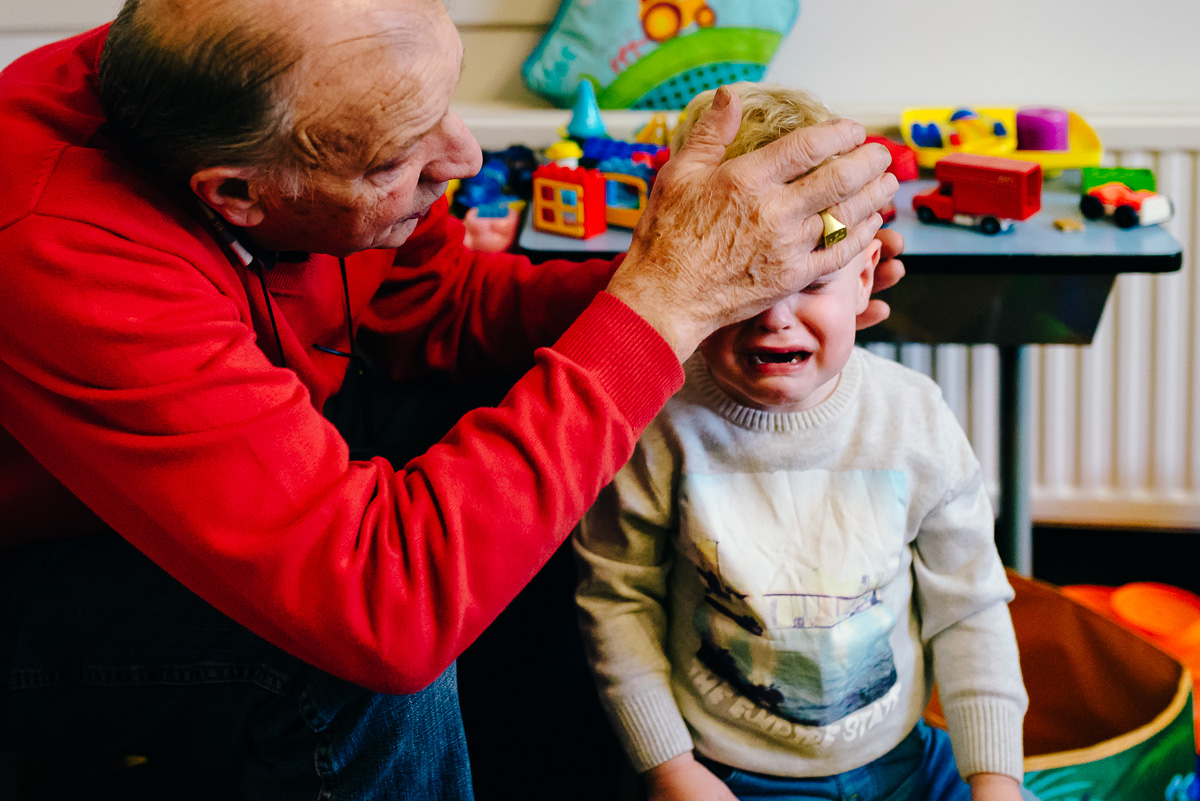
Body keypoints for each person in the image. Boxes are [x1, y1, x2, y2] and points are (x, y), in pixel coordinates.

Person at [0, 0, 902, 797]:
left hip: (218, 470)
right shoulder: (59, 242)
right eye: (402, 152)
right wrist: (670, 299)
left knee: (539, 482)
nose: (463, 158)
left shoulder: (308, 78)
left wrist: (701, 287)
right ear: (236, 195)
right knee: (364, 665)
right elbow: (382, 605)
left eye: (446, 105)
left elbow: (436, 304)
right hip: (44, 569)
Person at [575, 83, 1030, 801]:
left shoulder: (914, 418)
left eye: (811, 278)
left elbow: (969, 607)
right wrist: (670, 767)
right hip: (724, 773)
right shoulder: (656, 421)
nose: (775, 316)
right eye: (744, 283)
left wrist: (996, 779)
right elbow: (615, 597)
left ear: (864, 274)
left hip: (908, 759)